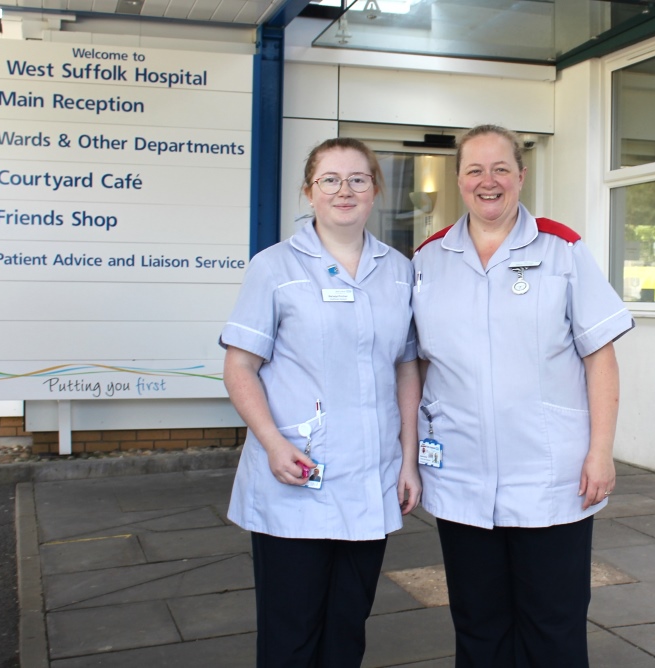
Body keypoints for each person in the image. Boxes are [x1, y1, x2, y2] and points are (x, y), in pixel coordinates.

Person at [411, 125, 634, 666]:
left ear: (520, 175)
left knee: (552, 626)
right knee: (478, 624)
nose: (489, 182)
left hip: (549, 477)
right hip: (462, 474)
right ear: (459, 179)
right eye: (475, 170)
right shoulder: (427, 260)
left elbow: (599, 355)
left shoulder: (562, 249)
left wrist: (601, 451)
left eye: (501, 169)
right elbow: (414, 364)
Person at [219, 137, 422, 667]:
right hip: (295, 474)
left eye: (358, 178)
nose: (344, 190)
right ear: (309, 191)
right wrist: (271, 444)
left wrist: (408, 458)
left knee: (347, 628)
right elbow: (239, 367)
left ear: (375, 189)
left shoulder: (399, 270)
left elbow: (405, 366)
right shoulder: (274, 267)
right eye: (330, 179)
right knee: (291, 634)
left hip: (369, 476)